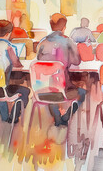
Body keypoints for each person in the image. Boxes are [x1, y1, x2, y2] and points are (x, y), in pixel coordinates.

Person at [36, 13, 86, 143]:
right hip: (63, 87)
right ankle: (65, 119)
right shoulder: (68, 41)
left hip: (43, 89)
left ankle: (58, 119)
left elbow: (39, 62)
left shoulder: (43, 42)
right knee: (82, 92)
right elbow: (77, 61)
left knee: (52, 90)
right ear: (64, 27)